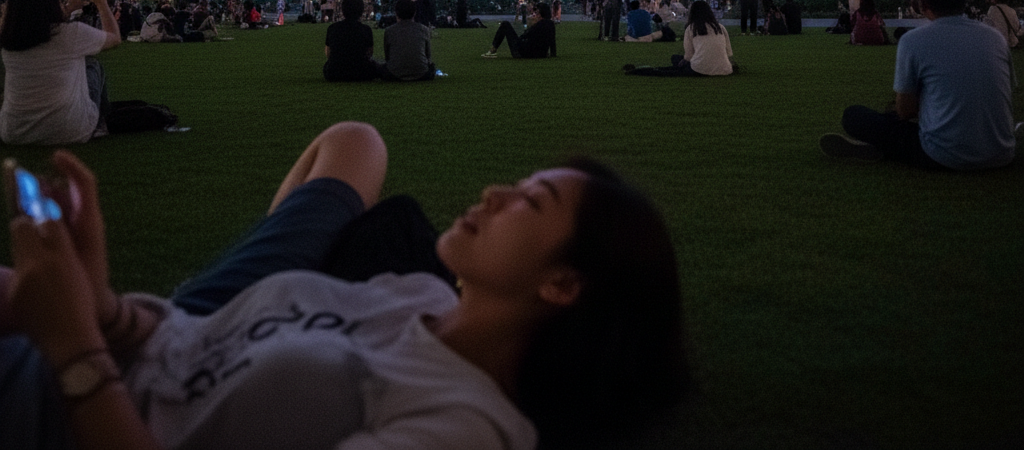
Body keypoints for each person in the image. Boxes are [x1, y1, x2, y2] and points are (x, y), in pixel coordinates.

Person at [0, 120, 691, 450]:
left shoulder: (464, 427)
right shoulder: (415, 298)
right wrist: (105, 309)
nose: (494, 191)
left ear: (564, 284)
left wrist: (76, 353)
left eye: (530, 203)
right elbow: (191, 338)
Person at [820, 0, 1016, 169]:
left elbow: (905, 111)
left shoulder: (914, 40)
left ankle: (880, 147)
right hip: (1002, 152)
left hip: (944, 153)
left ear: (922, 2)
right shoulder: (994, 38)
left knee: (854, 116)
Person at [0, 0, 120, 145]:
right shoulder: (72, 34)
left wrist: (70, 8)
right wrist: (101, 1)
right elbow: (114, 38)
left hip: (14, 132)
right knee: (93, 66)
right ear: (51, 2)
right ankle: (100, 123)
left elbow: (39, 27)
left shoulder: (8, 41)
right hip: (70, 130)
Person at [625, 0, 735, 77]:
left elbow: (688, 56)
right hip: (725, 69)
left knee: (673, 64)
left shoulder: (692, 28)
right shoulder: (720, 28)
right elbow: (729, 53)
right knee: (676, 60)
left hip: (700, 68)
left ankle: (638, 71)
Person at [323, 0, 379, 82]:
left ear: (343, 10)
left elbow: (328, 53)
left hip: (335, 73)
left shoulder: (333, 28)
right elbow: (369, 53)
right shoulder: (366, 29)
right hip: (362, 72)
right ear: (361, 11)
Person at [381, 0, 436, 81]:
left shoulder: (389, 31)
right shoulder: (423, 29)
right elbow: (427, 55)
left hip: (394, 74)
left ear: (396, 13)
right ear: (414, 13)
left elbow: (387, 56)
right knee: (432, 67)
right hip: (422, 74)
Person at [483, 3, 557, 59]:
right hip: (540, 54)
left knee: (505, 24)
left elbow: (525, 35)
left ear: (541, 13)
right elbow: (552, 41)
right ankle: (493, 50)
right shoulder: (550, 24)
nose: (535, 14)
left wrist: (530, 25)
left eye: (537, 12)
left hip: (525, 52)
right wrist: (552, 53)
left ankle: (493, 49)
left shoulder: (539, 23)